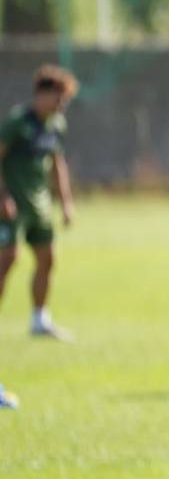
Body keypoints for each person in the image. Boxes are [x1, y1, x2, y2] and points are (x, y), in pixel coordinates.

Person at [0, 65, 79, 340]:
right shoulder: (17, 123)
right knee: (7, 260)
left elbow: (58, 164)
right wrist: (2, 196)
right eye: (58, 98)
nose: (61, 105)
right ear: (41, 95)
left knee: (47, 259)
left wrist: (66, 203)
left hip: (40, 204)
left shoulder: (56, 125)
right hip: (12, 204)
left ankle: (39, 319)